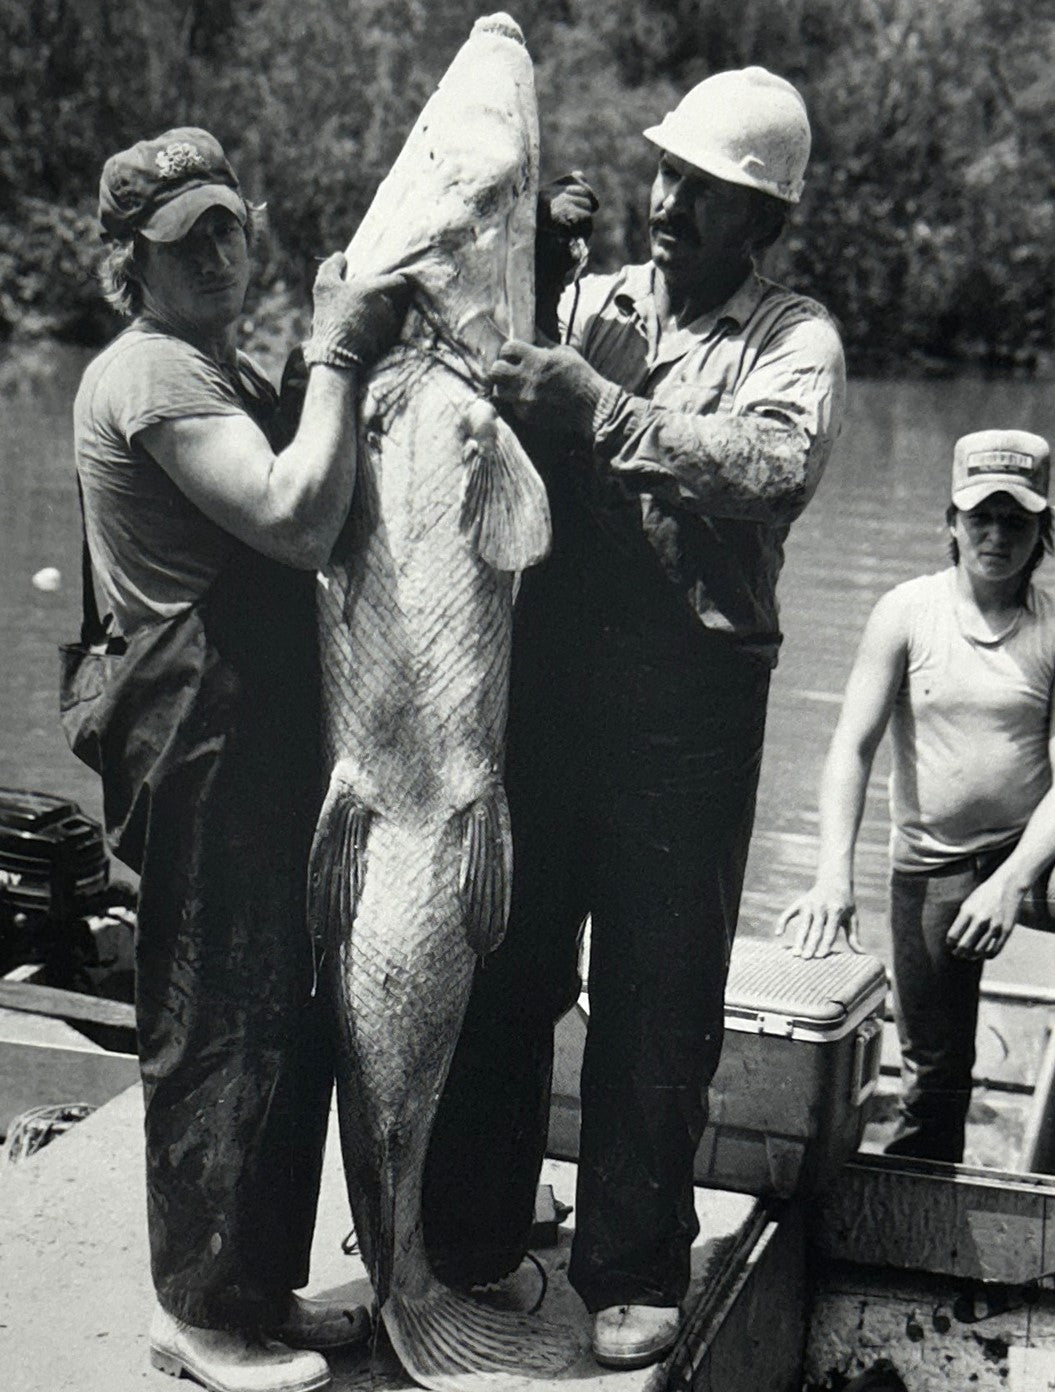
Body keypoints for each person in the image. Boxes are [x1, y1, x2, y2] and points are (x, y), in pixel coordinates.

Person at [422, 68, 845, 1367]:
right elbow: (489, 378)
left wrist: (599, 410)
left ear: (756, 222)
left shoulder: (791, 338)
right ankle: (470, 1233)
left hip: (690, 709)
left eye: (703, 193)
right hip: (552, 687)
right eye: (663, 177)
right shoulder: (593, 300)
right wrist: (535, 259)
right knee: (506, 960)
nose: (666, 204)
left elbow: (768, 470)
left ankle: (628, 1263)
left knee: (659, 994)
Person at [69, 127, 407, 1392]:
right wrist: (339, 351)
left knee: (287, 1017)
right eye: (182, 241)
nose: (216, 253)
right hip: (199, 734)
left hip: (262, 732)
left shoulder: (227, 367)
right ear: (130, 264)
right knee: (216, 1016)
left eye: (227, 225)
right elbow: (297, 516)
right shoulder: (152, 376)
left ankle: (256, 1286)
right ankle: (197, 1311)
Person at [778, 429, 1055, 1165]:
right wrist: (832, 875)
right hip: (934, 861)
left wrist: (1009, 883)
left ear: (1042, 532)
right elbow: (851, 746)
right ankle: (923, 1209)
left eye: (1017, 521)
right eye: (980, 518)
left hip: (1034, 857)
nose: (996, 536)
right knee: (933, 1085)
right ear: (950, 524)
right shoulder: (905, 612)